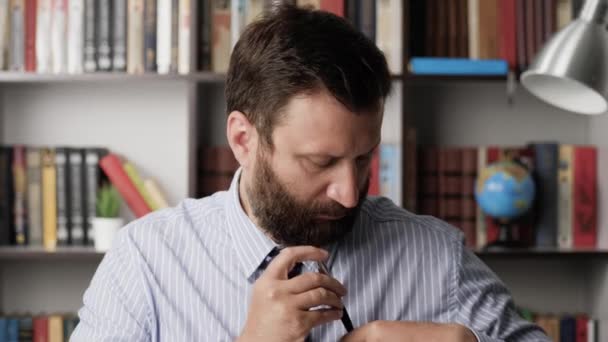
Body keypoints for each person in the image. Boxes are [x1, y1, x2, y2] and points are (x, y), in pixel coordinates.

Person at [71, 5, 550, 342]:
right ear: (243, 139)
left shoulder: (437, 256)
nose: (348, 193)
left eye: (364, 158)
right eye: (320, 163)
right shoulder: (146, 261)